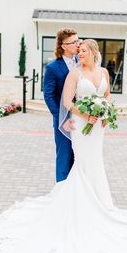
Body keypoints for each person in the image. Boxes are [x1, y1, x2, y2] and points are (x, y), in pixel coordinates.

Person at [0, 39, 127, 253]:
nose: (79, 54)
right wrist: (85, 116)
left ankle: (102, 205)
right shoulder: (74, 73)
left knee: (96, 163)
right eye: (77, 50)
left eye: (82, 50)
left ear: (93, 52)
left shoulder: (103, 72)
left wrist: (105, 114)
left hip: (98, 128)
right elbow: (67, 102)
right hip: (81, 127)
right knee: (82, 163)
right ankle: (81, 207)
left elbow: (106, 96)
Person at [43, 28, 79, 182]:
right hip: (63, 121)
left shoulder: (81, 62)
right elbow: (48, 96)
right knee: (64, 157)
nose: (77, 45)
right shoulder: (52, 68)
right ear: (64, 45)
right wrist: (62, 119)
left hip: (81, 117)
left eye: (78, 40)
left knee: (78, 157)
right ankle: (61, 192)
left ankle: (75, 191)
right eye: (74, 42)